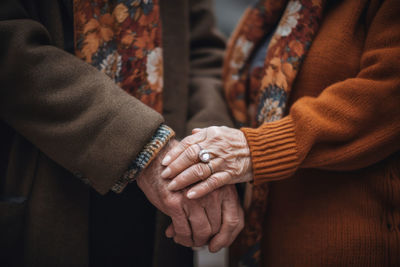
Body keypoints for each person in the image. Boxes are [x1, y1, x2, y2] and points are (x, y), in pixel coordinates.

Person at [0, 0, 244, 266]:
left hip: (167, 193)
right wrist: (146, 146)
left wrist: (206, 152)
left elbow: (201, 49)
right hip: (45, 175)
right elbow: (10, 45)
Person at [161, 0, 400, 266]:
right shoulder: (275, 8)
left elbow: (388, 92)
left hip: (354, 244)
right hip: (264, 245)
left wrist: (256, 150)